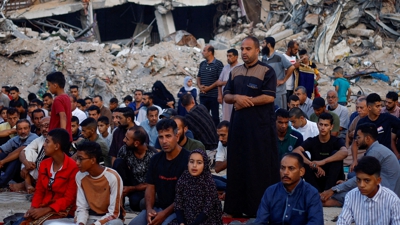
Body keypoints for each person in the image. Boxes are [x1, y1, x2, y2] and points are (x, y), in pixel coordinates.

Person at [223, 36, 279, 217]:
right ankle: (234, 208)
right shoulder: (235, 71)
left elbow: (269, 97)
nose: (244, 52)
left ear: (257, 50)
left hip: (259, 129)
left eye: (248, 49)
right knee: (237, 166)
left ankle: (258, 210)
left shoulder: (267, 71)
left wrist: (246, 102)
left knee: (258, 168)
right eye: (242, 49)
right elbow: (227, 96)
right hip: (238, 128)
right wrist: (237, 98)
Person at [320, 123, 400, 207]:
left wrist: (333, 190)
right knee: (348, 181)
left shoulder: (375, 152)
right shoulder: (376, 149)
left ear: (368, 138)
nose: (356, 140)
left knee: (336, 195)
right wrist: (344, 184)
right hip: (379, 188)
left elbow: (363, 177)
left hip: (385, 196)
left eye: (358, 137)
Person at [46, 142, 125, 225]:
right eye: (77, 158)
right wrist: (81, 223)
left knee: (115, 224)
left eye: (81, 159)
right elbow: (82, 207)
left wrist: (95, 224)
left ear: (93, 160)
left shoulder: (112, 177)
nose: (77, 163)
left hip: (107, 220)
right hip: (88, 219)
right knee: (49, 224)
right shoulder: (80, 176)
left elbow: (114, 213)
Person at [129, 119, 190, 225]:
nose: (164, 141)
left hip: (180, 210)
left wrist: (164, 214)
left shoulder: (188, 160)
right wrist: (149, 210)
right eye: (161, 137)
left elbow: (185, 197)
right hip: (159, 207)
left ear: (177, 136)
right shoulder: (155, 159)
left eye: (168, 136)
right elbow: (150, 187)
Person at [15, 129, 78, 225]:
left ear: (57, 146)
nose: (44, 144)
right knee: (21, 222)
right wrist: (33, 208)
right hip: (44, 205)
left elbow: (68, 198)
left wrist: (46, 210)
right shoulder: (44, 164)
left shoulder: (73, 167)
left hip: (63, 210)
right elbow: (39, 190)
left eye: (47, 142)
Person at [254, 153, 323, 225]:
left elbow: (316, 222)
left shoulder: (311, 193)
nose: (285, 172)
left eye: (291, 168)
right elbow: (260, 221)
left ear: (301, 172)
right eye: (282, 168)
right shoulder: (271, 191)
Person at [293, 113, 348, 192]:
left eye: (326, 125)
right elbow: (296, 151)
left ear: (331, 127)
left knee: (336, 154)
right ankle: (315, 192)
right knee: (302, 156)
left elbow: (345, 152)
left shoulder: (336, 140)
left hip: (332, 179)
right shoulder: (312, 140)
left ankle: (327, 191)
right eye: (321, 124)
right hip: (316, 178)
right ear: (317, 125)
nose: (323, 128)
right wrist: (313, 164)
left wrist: (322, 162)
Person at [337, 156, 400, 225]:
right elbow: (342, 222)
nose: (361, 185)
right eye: (358, 180)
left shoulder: (392, 200)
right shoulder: (351, 196)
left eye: (367, 180)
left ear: (378, 180)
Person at [171, 149, 223, 225]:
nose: (194, 165)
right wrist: (181, 222)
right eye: (191, 162)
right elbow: (178, 203)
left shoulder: (208, 182)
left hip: (205, 220)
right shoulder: (183, 179)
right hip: (186, 219)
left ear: (204, 164)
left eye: (199, 163)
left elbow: (207, 209)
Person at [113, 126, 157, 211]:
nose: (124, 140)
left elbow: (152, 183)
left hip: (144, 187)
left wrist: (131, 189)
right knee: (118, 162)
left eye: (127, 139)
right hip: (131, 181)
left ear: (136, 143)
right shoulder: (125, 149)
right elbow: (118, 168)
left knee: (135, 203)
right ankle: (118, 200)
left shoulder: (153, 156)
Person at [9, 117, 50, 193]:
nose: (44, 129)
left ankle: (24, 185)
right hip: (39, 169)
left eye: (47, 126)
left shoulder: (56, 138)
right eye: (41, 126)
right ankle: (28, 185)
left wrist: (26, 168)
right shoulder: (40, 139)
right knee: (28, 151)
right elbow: (22, 152)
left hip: (51, 170)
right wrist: (26, 163)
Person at [0, 119, 38, 189]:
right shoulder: (15, 139)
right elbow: (2, 150)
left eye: (25, 128)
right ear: (16, 130)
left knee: (17, 157)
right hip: (15, 171)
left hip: (27, 171)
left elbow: (21, 150)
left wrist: (2, 162)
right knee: (2, 155)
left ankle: (1, 182)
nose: (23, 131)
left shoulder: (34, 137)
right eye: (20, 129)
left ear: (29, 129)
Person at [261, 37, 296, 108]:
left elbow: (291, 67)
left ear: (269, 45)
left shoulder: (279, 57)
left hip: (278, 92)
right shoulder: (263, 58)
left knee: (279, 114)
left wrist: (283, 80)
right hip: (267, 91)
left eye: (263, 43)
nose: (262, 45)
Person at [197, 44, 224, 126]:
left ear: (210, 52)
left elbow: (219, 80)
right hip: (203, 95)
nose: (202, 52)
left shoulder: (218, 64)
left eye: (204, 50)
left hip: (213, 96)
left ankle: (217, 134)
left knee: (215, 117)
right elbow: (198, 77)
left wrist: (208, 88)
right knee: (202, 117)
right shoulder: (202, 64)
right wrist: (200, 86)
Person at [46, 72, 72, 141]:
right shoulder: (66, 97)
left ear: (55, 85)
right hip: (67, 136)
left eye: (49, 85)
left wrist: (62, 136)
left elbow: (63, 116)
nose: (49, 88)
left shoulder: (58, 99)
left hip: (57, 138)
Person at [217, 49, 240, 121]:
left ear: (236, 57)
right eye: (227, 56)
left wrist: (223, 82)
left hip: (235, 97)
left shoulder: (240, 68)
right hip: (225, 98)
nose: (228, 58)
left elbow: (237, 82)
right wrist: (220, 95)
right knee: (226, 118)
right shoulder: (225, 68)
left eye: (230, 56)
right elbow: (218, 82)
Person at [344, 96, 368, 167]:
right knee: (342, 155)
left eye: (361, 108)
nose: (359, 110)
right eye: (357, 107)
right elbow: (348, 132)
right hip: (354, 147)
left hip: (365, 149)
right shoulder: (357, 118)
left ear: (368, 107)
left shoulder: (372, 120)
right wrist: (347, 146)